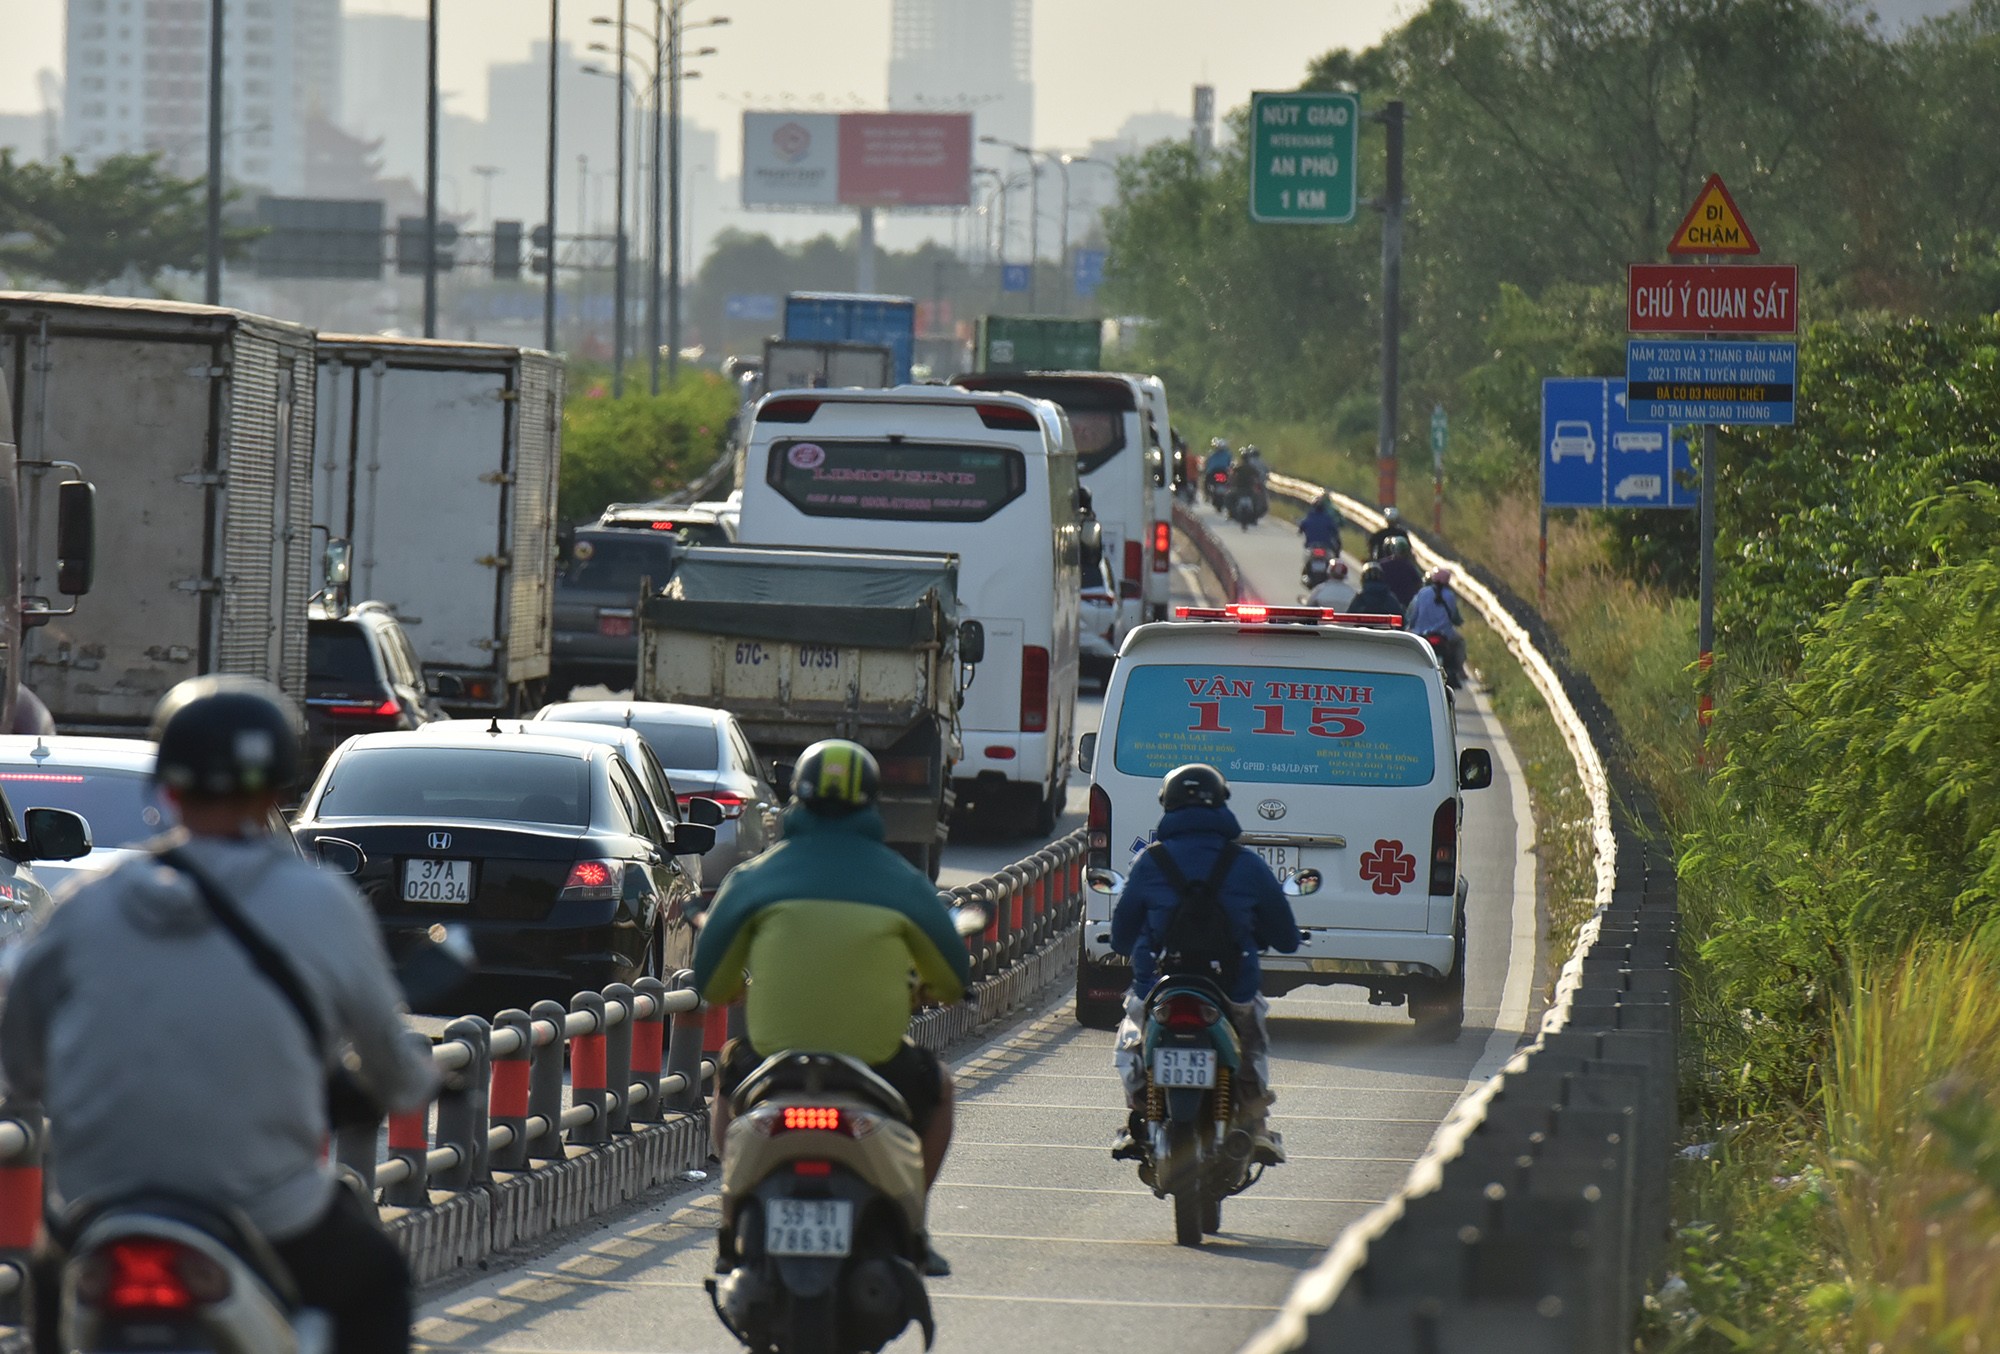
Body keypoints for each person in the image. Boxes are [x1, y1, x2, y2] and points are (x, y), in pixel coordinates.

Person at [0, 676, 438, 1354]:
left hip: (104, 1210)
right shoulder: (320, 903)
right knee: (376, 1281)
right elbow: (397, 1067)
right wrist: (401, 1082)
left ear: (167, 785)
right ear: (277, 793)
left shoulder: (88, 905)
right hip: (268, 1210)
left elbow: (18, 1065)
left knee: (49, 1296)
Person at [694, 738, 970, 1273]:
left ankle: (732, 1218)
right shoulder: (904, 883)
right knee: (940, 1089)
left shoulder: (754, 879)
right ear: (872, 804)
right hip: (877, 1068)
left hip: (773, 1067)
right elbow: (953, 979)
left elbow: (712, 980)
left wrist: (736, 988)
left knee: (728, 1077)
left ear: (796, 798)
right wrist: (927, 989)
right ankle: (914, 1224)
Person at [1108, 764, 1301, 1165]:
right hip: (1232, 988)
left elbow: (1122, 938)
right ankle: (1256, 1126)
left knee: (1132, 1041)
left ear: (1167, 805)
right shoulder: (1246, 864)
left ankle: (1138, 1119)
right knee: (1251, 1045)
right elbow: (1286, 937)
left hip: (1158, 986)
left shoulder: (1150, 862)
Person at [1406, 566, 1468, 688]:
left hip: (1421, 634)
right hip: (1444, 635)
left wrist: (1410, 625)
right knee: (1460, 642)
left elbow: (1413, 613)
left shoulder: (1422, 593)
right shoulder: (1449, 596)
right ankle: (1460, 670)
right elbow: (1455, 616)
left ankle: (1405, 668)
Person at [1378, 534, 1425, 609]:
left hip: (1384, 604)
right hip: (1405, 605)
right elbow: (1419, 584)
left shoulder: (1382, 565)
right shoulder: (1411, 567)